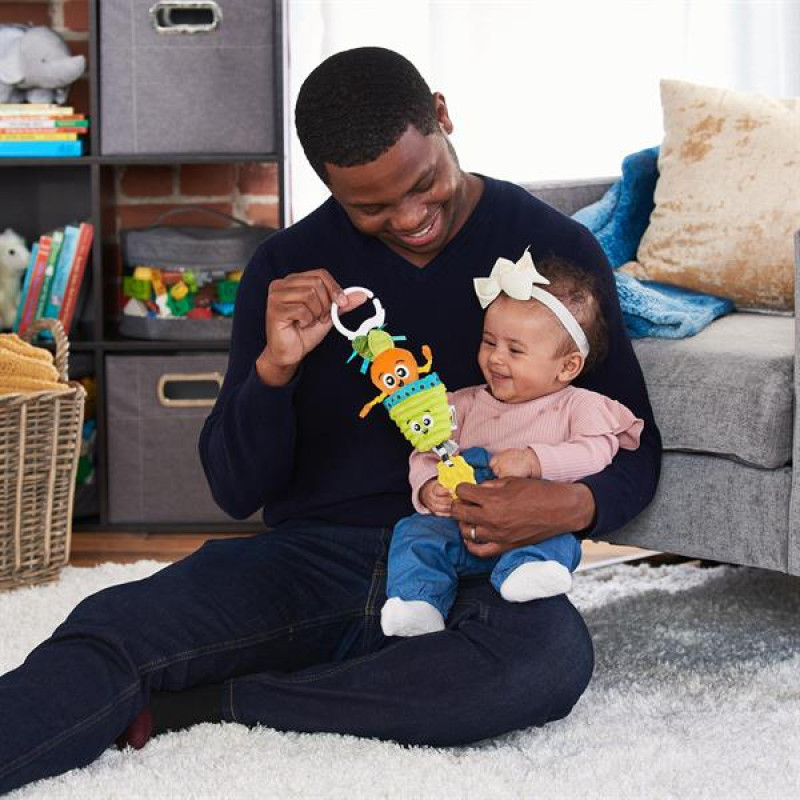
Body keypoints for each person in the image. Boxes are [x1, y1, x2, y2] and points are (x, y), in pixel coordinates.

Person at [0, 46, 661, 795]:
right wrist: (273, 369)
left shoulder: (556, 254)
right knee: (110, 628)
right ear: (325, 181)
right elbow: (233, 488)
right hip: (311, 560)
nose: (409, 218)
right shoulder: (287, 266)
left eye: (423, 184)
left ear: (442, 116)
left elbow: (635, 446)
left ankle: (219, 701)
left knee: (542, 663)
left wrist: (567, 506)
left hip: (476, 560)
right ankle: (338, 668)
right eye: (371, 208)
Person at [381, 252, 643, 637]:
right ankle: (417, 602)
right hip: (461, 522)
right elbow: (427, 449)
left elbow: (596, 452)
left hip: (531, 527)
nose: (495, 359)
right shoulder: (462, 404)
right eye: (489, 342)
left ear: (567, 366)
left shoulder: (580, 406)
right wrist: (428, 486)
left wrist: (536, 461)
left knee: (559, 535)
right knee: (413, 533)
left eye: (515, 350)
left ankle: (527, 571)